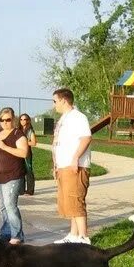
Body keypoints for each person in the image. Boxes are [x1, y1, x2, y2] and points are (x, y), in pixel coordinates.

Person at [51, 88, 92, 244]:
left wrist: (75, 158)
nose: (54, 104)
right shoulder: (64, 118)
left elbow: (86, 138)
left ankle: (83, 237)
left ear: (63, 100)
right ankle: (73, 234)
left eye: (55, 101)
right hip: (64, 166)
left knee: (76, 199)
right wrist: (56, 164)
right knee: (69, 202)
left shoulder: (78, 117)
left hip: (75, 166)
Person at [0, 107, 28, 244]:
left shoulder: (18, 134)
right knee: (2, 206)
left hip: (12, 175)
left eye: (8, 120)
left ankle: (17, 235)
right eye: (2, 120)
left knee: (10, 205)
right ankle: (6, 232)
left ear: (14, 119)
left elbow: (24, 153)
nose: (5, 122)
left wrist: (5, 146)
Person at [19, 113, 38, 195]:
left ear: (28, 120)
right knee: (20, 170)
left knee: (28, 170)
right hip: (19, 151)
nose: (23, 121)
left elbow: (34, 143)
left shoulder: (30, 131)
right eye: (21, 119)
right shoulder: (18, 130)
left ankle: (30, 190)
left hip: (27, 152)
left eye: (25, 119)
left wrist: (24, 142)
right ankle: (21, 190)